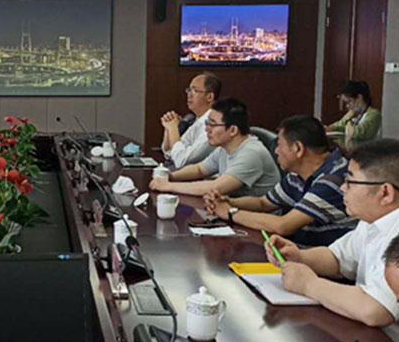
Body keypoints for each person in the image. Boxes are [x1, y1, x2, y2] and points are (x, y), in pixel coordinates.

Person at [264, 139, 399, 326]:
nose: (342, 188)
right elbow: (338, 258)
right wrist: (299, 256)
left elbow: (376, 310)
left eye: (350, 182)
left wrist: (309, 284)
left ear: (385, 193)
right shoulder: (377, 216)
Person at [205, 115, 355, 246]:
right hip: (303, 251)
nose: (276, 151)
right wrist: (227, 201)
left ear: (298, 148)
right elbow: (263, 203)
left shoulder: (334, 179)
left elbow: (284, 225)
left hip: (323, 260)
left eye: (279, 145)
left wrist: (230, 213)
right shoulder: (298, 174)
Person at [150, 98, 279, 198]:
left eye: (212, 124)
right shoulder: (224, 147)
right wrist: (170, 176)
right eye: (207, 123)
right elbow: (200, 169)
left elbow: (216, 187)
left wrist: (168, 186)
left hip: (255, 218)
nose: (207, 129)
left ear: (233, 130)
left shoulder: (251, 153)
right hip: (231, 209)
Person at [161, 72, 221, 168]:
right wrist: (168, 129)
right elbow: (170, 154)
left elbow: (181, 161)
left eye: (195, 90)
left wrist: (173, 129)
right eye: (189, 90)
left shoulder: (212, 125)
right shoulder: (197, 120)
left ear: (209, 97)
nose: (189, 95)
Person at [325, 80, 381, 151]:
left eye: (349, 102)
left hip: (367, 153)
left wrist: (349, 120)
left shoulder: (374, 115)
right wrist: (329, 128)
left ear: (359, 98)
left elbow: (355, 133)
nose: (348, 106)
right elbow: (339, 125)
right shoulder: (355, 113)